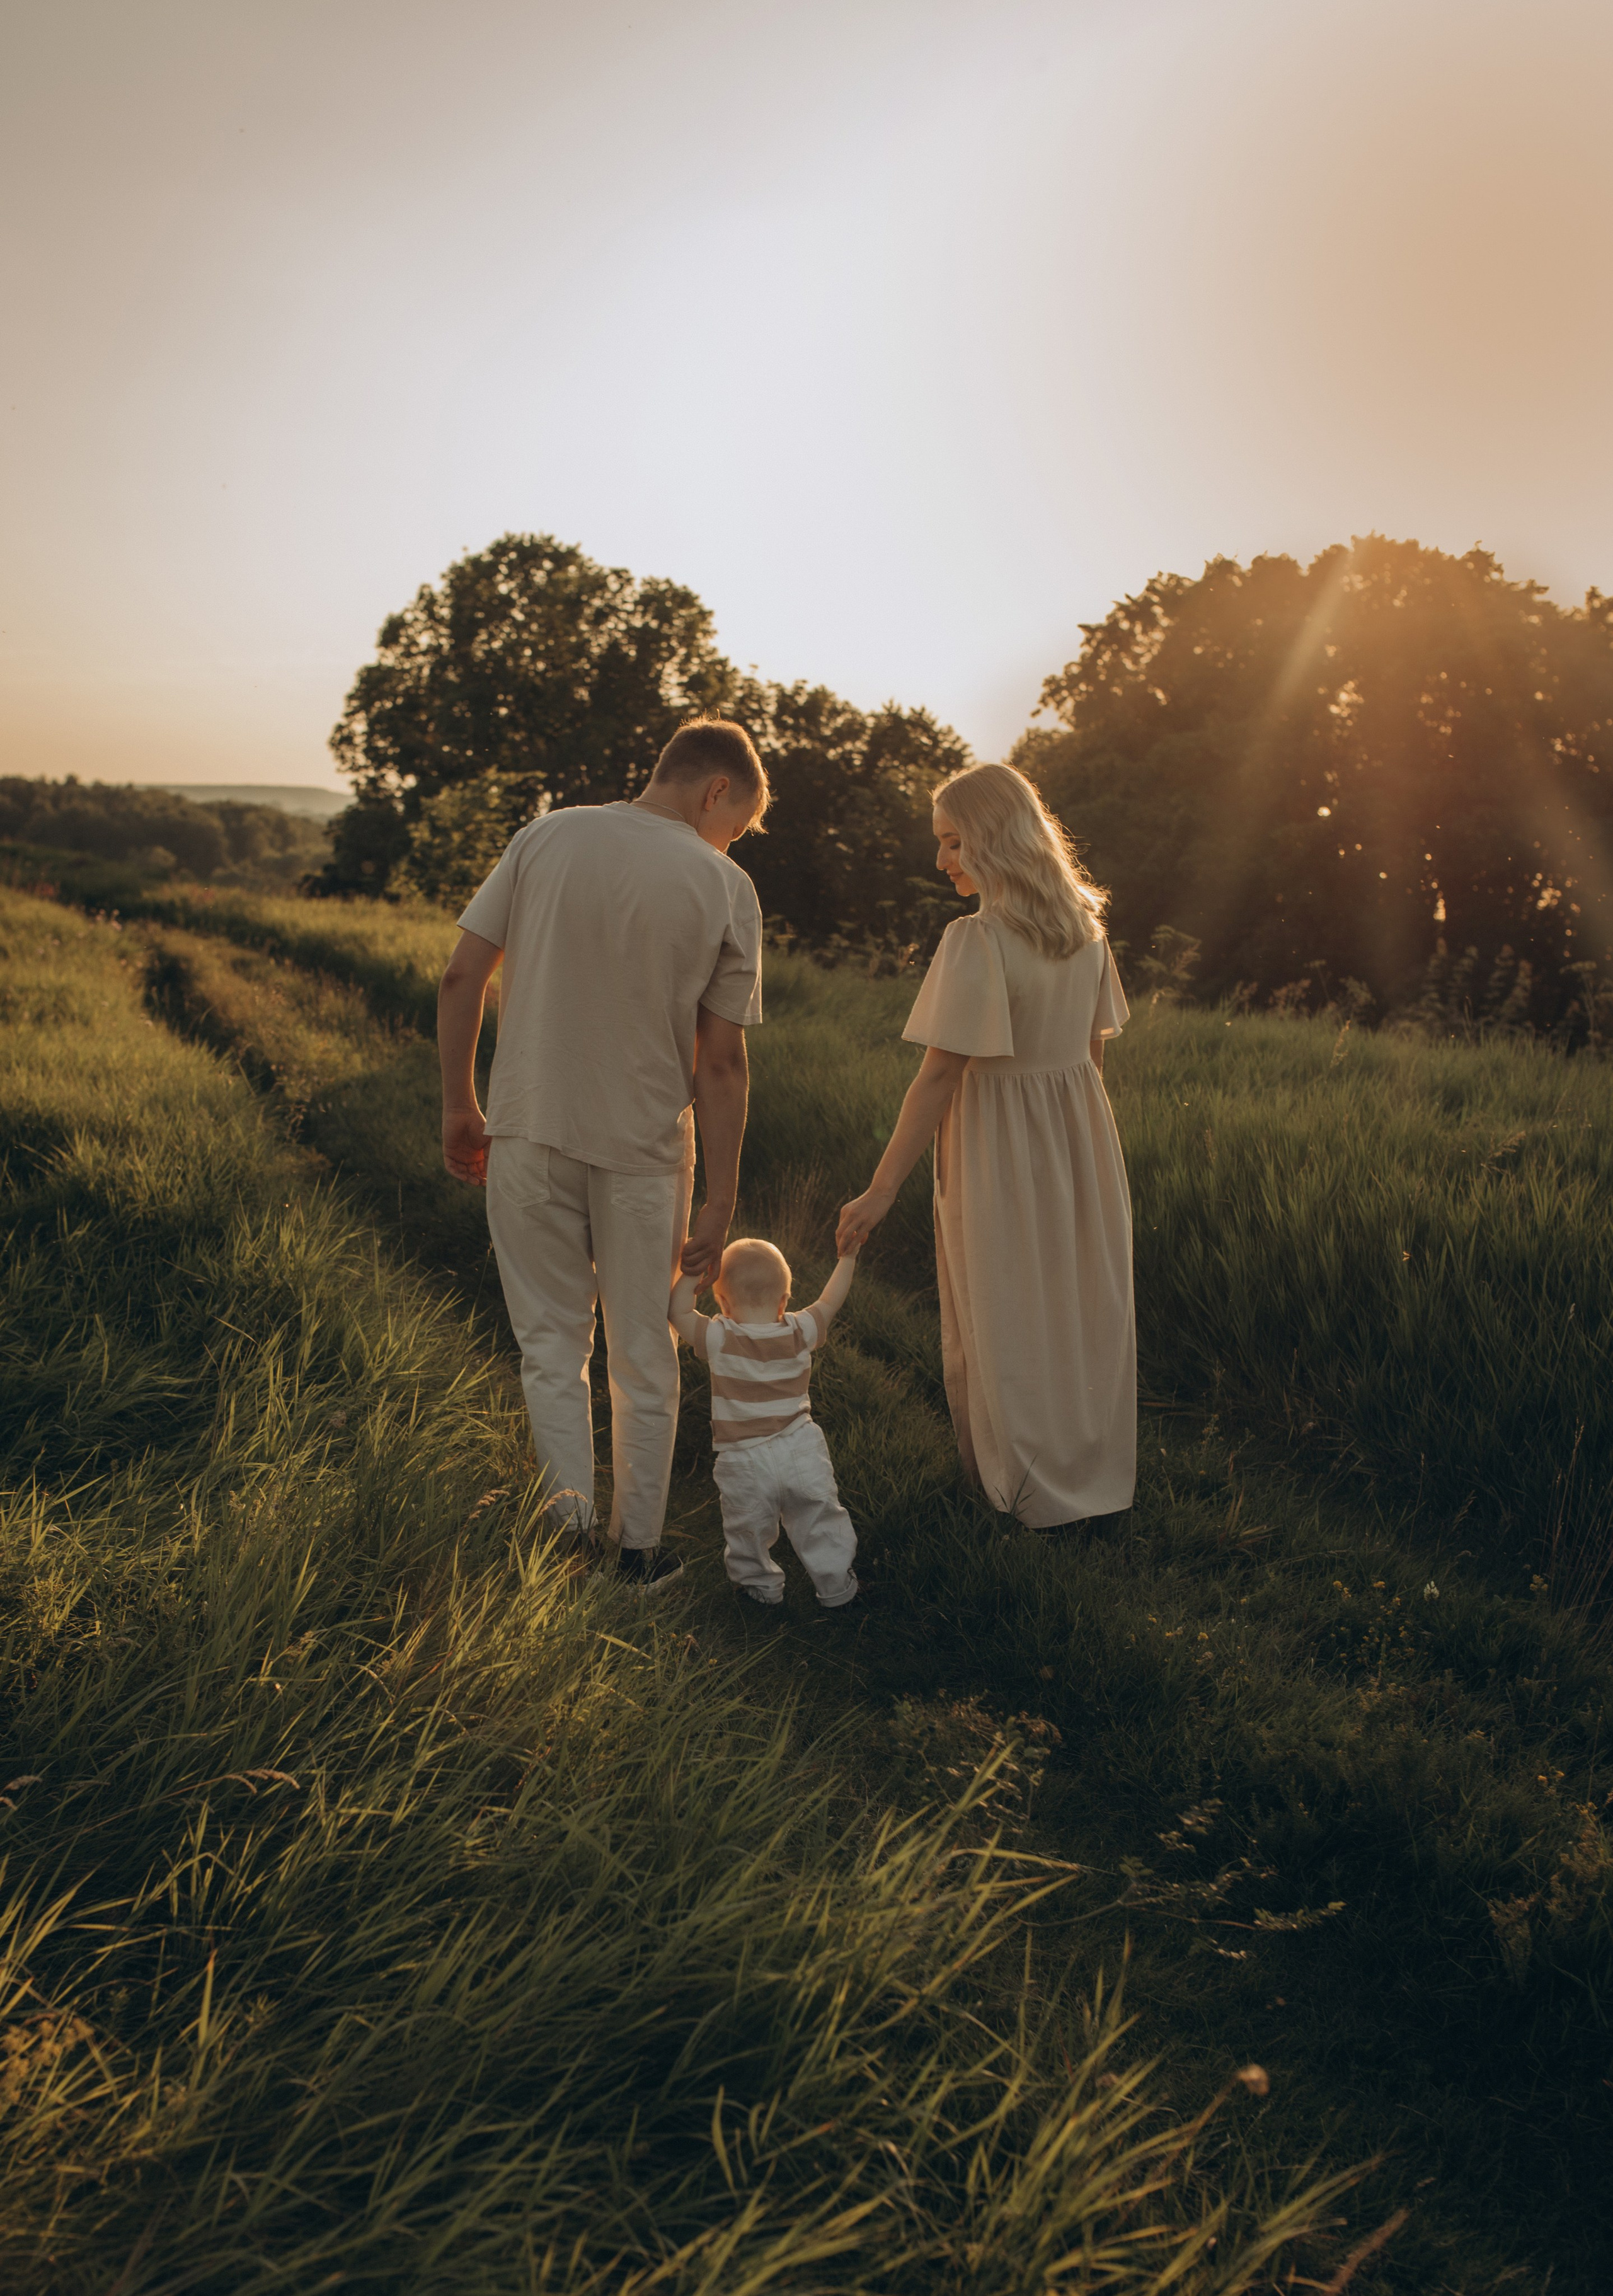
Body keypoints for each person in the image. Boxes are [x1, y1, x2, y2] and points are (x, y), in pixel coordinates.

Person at [437, 715, 769, 1591]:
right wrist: (721, 1197)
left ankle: (566, 1538)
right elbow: (724, 1059)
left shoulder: (545, 837)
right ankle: (639, 1555)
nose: (728, 840)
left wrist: (460, 1104)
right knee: (643, 1354)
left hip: (527, 1127)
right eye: (734, 825)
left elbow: (461, 975)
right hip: (644, 1151)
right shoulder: (724, 884)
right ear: (716, 791)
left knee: (550, 1344)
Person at [836, 762, 1135, 1531]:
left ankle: (1020, 1490)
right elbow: (1090, 1058)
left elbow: (938, 1079)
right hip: (1082, 1138)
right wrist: (1084, 1149)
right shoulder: (1088, 934)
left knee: (1006, 1308)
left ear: (993, 837)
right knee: (1073, 1309)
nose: (942, 862)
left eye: (952, 841)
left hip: (1000, 1142)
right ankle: (1086, 1473)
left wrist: (879, 1190)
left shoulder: (978, 940)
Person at [669, 1238, 861, 1608]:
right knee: (820, 1517)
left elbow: (678, 1313)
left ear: (722, 1302)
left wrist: (692, 1271)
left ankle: (760, 1589)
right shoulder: (799, 1330)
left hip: (743, 1458)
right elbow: (830, 1301)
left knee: (747, 1529)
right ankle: (838, 1587)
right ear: (785, 1300)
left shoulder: (719, 1336)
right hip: (801, 1448)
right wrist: (847, 1258)